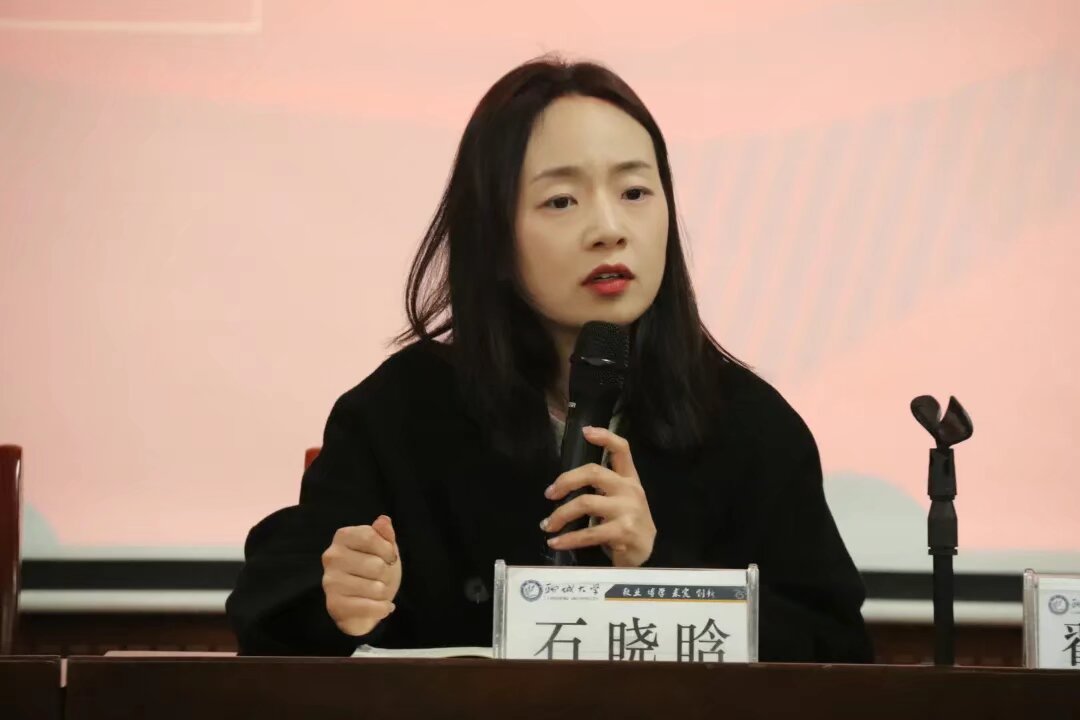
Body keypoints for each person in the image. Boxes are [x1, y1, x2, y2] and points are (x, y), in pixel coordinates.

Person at [226, 56, 873, 663]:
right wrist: (336, 598)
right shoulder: (401, 412)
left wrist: (659, 571)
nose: (610, 229)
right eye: (562, 200)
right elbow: (270, 605)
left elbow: (834, 650)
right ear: (494, 237)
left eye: (635, 192)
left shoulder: (749, 425)